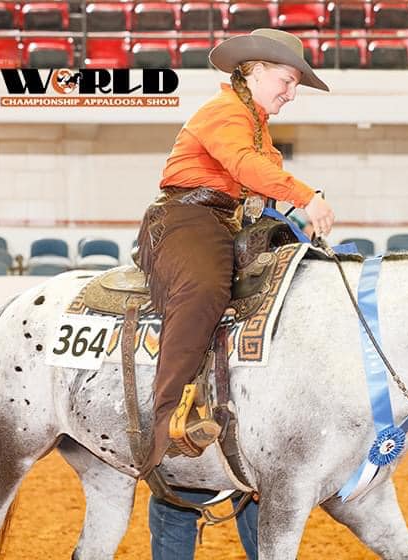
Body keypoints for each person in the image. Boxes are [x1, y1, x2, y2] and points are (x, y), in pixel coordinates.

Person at [136, 28, 335, 559]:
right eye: (287, 79)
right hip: (185, 218)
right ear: (251, 70)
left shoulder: (258, 126)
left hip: (227, 222)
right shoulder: (226, 113)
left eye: (295, 83)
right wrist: (304, 195)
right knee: (204, 289)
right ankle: (170, 417)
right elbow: (245, 168)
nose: (291, 91)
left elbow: (256, 178)